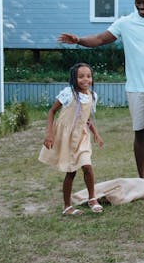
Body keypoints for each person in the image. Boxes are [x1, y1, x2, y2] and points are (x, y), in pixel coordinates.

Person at [57, 0, 144, 178]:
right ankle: (142, 179)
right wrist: (79, 40)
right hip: (135, 87)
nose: (141, 6)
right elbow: (100, 39)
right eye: (138, 2)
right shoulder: (125, 23)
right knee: (140, 132)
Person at [39, 63, 104, 216]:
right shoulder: (69, 93)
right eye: (81, 76)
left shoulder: (92, 96)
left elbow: (87, 118)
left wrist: (96, 133)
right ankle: (67, 206)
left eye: (88, 76)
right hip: (66, 137)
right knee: (71, 171)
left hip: (82, 137)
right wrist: (49, 133)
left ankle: (92, 198)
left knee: (87, 166)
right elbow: (51, 111)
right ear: (74, 78)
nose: (85, 79)